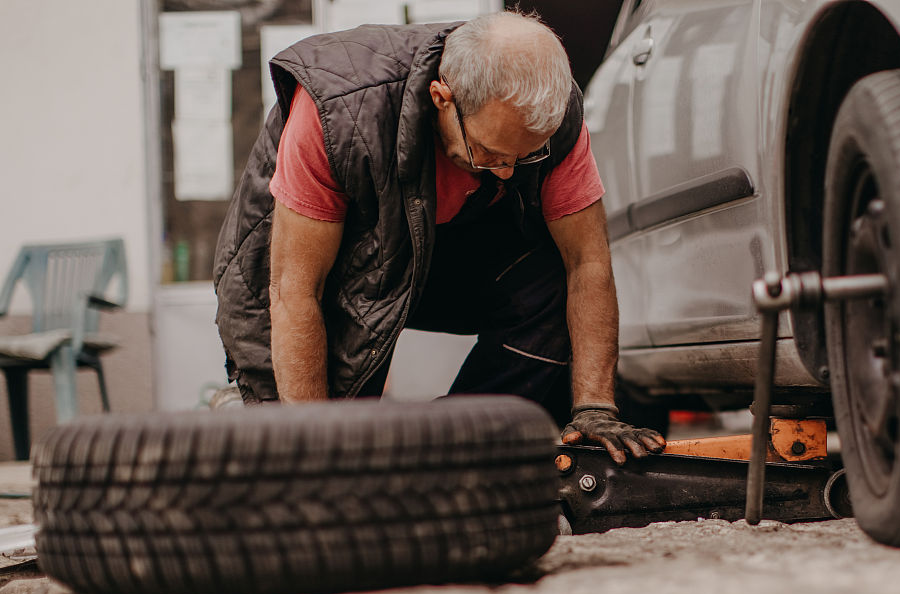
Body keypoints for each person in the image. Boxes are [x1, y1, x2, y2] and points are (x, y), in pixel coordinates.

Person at [213, 11, 663, 463]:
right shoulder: (341, 110)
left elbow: (587, 261)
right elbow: (294, 289)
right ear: (441, 98)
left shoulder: (550, 116)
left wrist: (594, 407)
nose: (506, 171)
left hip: (434, 251)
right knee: (316, 450)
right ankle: (243, 416)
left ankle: (454, 448)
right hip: (309, 277)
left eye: (524, 157)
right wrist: (316, 447)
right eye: (489, 153)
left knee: (550, 279)